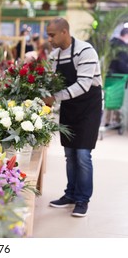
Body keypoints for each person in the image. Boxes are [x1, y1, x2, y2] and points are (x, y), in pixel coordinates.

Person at [43, 18, 103, 217]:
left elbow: (84, 85)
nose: (49, 39)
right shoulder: (54, 57)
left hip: (89, 107)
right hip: (70, 107)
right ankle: (70, 194)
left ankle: (82, 199)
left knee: (83, 155)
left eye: (52, 35)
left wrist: (54, 98)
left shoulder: (85, 51)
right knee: (70, 155)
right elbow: (50, 83)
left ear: (64, 32)